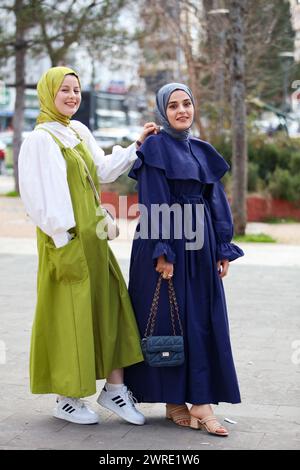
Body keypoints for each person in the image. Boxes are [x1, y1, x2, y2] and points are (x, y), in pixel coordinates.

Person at [18, 66, 157, 426]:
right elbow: (39, 199)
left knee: (111, 307)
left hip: (94, 241)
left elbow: (105, 169)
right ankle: (67, 398)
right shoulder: (39, 140)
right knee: (69, 317)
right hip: (64, 242)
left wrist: (137, 145)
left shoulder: (76, 130)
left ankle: (114, 389)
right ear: (48, 94)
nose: (72, 96)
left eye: (76, 90)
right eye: (64, 90)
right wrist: (64, 241)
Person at [124, 83, 244, 437]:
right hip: (168, 243)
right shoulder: (156, 147)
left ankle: (196, 400)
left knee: (200, 318)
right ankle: (178, 401)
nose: (181, 111)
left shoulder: (200, 149)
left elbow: (216, 200)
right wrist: (163, 251)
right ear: (163, 111)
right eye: (173, 105)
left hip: (201, 244)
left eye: (187, 103)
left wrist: (223, 247)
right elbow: (153, 199)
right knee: (168, 319)